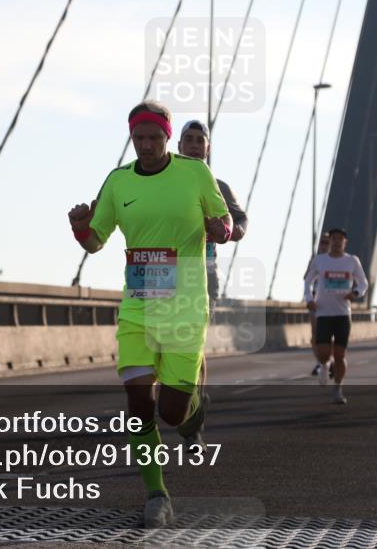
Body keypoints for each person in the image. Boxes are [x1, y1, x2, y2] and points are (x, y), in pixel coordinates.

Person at [68, 100, 232, 528]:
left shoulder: (195, 173)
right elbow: (95, 241)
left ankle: (196, 409)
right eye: (138, 138)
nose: (145, 145)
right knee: (139, 402)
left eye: (153, 138)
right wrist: (80, 227)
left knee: (172, 413)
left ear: (167, 137)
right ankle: (157, 494)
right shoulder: (118, 181)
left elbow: (225, 222)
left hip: (185, 306)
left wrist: (221, 230)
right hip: (138, 305)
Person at [177, 119, 248, 450]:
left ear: (208, 148)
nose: (193, 145)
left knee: (191, 346)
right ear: (178, 146)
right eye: (188, 139)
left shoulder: (217, 185)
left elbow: (241, 220)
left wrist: (225, 230)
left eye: (199, 141)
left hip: (202, 272)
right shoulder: (163, 180)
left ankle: (192, 427)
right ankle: (189, 401)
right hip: (159, 273)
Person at [303, 228, 368, 404]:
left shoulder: (352, 261)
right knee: (324, 352)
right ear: (330, 241)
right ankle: (324, 365)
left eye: (340, 239)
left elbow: (363, 282)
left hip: (343, 314)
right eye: (334, 238)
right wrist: (309, 299)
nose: (337, 241)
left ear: (345, 242)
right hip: (323, 312)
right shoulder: (320, 260)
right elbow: (308, 281)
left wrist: (355, 293)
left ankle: (338, 389)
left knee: (340, 355)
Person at [306, 233, 334, 379]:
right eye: (322, 242)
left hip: (332, 302)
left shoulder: (338, 260)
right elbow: (307, 279)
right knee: (315, 335)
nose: (323, 245)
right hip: (316, 301)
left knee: (330, 335)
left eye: (326, 242)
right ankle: (320, 363)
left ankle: (331, 361)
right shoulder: (316, 260)